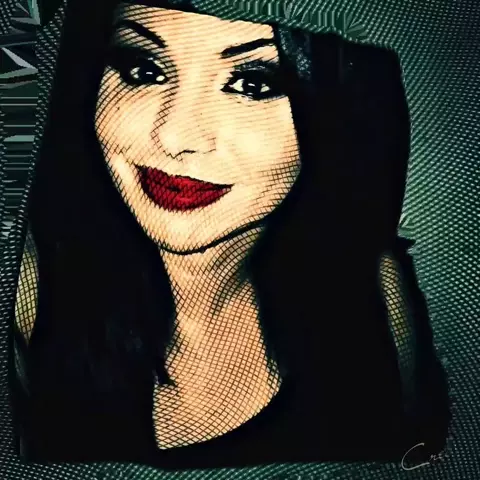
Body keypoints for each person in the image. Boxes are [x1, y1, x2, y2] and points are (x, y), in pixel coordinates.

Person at [12, 0, 449, 469]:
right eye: (145, 70)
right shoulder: (25, 289)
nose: (176, 137)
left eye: (253, 85)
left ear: (337, 103)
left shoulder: (373, 289)